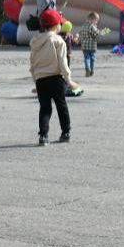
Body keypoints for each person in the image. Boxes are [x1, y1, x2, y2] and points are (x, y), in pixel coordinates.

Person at [30, 10, 80, 146]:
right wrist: (69, 80)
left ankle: (43, 136)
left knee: (45, 108)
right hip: (56, 78)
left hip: (41, 80)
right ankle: (66, 132)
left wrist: (36, 81)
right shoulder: (59, 41)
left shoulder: (34, 41)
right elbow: (63, 63)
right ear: (56, 25)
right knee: (61, 105)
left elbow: (33, 63)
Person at [74, 12, 108, 78]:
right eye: (96, 20)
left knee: (86, 58)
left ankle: (87, 68)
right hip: (92, 46)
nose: (97, 22)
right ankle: (91, 70)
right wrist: (106, 31)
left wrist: (77, 39)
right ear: (93, 19)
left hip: (84, 46)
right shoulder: (92, 26)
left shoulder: (83, 26)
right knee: (92, 58)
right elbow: (98, 34)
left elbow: (80, 33)